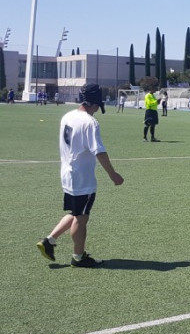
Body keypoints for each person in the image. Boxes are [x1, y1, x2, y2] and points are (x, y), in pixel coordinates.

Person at [36, 83, 124, 267]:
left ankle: (49, 241)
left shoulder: (68, 116)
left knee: (76, 213)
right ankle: (78, 257)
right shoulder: (90, 122)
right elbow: (98, 151)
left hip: (67, 173)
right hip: (82, 178)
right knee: (82, 218)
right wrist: (112, 174)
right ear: (96, 103)